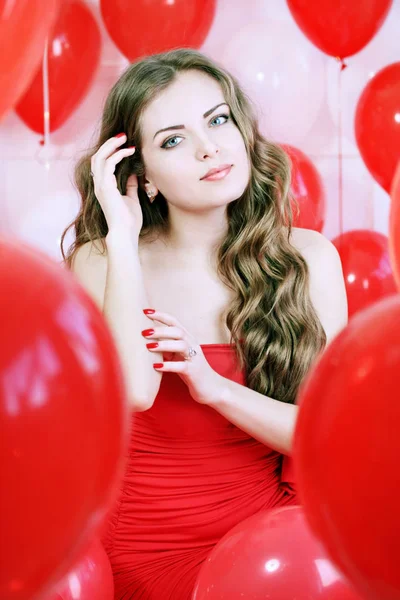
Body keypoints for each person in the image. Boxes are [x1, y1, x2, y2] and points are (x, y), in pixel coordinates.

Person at [61, 48, 348, 599]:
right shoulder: (100, 259)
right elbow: (135, 393)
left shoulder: (308, 258)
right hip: (140, 548)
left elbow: (325, 436)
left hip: (269, 545)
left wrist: (213, 388)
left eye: (218, 120)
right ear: (139, 172)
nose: (209, 148)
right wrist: (122, 241)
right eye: (173, 139)